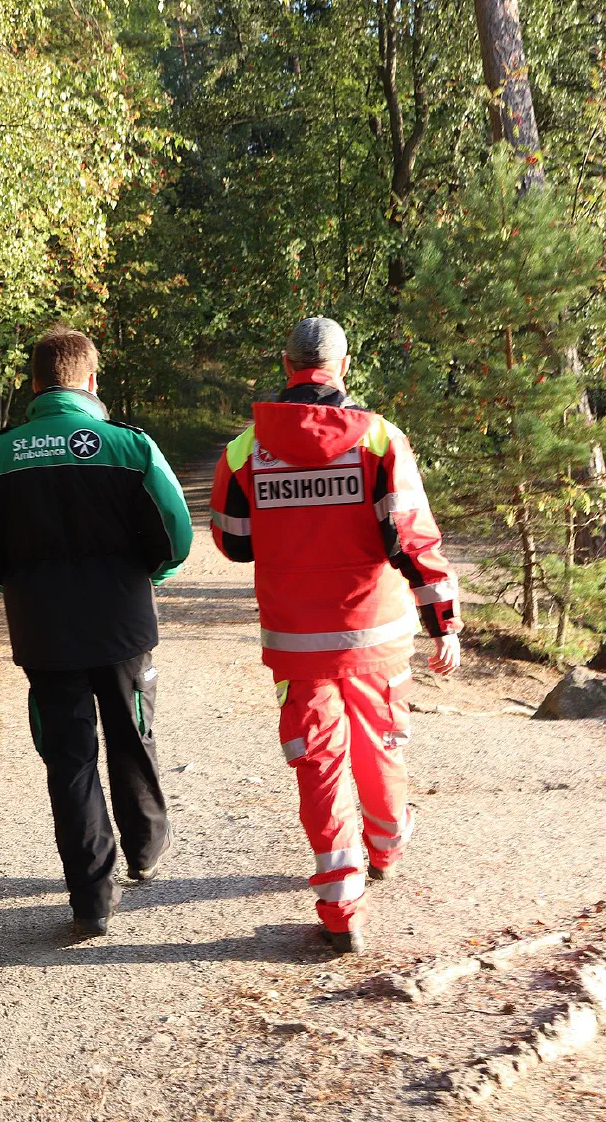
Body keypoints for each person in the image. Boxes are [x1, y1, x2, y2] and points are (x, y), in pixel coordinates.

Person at [209, 316, 462, 955]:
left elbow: (233, 542)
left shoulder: (245, 449)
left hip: (297, 638)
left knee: (318, 763)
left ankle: (341, 905)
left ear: (287, 365)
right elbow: (410, 536)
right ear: (343, 366)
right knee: (382, 742)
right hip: (375, 632)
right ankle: (387, 846)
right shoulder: (379, 438)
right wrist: (443, 620)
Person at [0, 328, 193, 938]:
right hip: (123, 622)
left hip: (43, 629)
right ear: (91, 381)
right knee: (132, 732)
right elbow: (176, 533)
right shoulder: (130, 446)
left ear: (34, 384)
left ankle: (91, 900)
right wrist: (146, 575)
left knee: (68, 757)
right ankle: (145, 851)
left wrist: (19, 583)